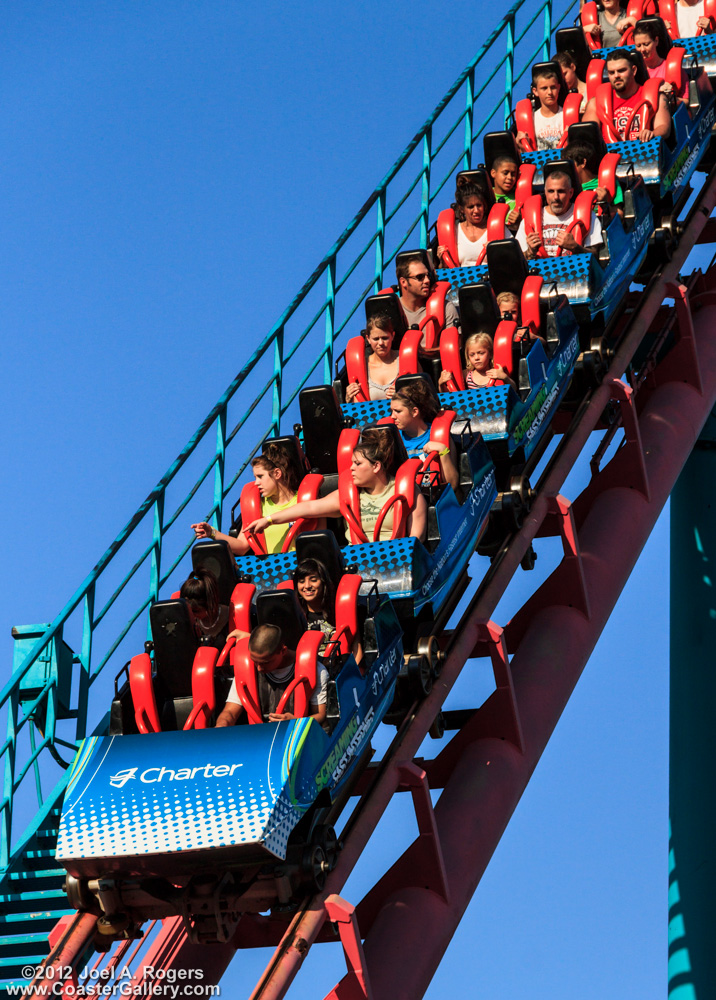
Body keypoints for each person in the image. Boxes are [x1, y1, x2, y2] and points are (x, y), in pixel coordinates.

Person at [245, 426, 428, 544]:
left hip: (396, 563)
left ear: (376, 466)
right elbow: (308, 507)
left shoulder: (406, 491)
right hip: (358, 563)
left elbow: (415, 540)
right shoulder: (349, 494)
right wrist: (268, 520)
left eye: (357, 464)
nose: (351, 469)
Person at [191, 442, 304, 556]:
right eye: (255, 477)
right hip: (272, 569)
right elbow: (242, 546)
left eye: (260, 476)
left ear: (277, 473)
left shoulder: (303, 502)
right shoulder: (257, 508)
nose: (256, 483)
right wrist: (212, 533)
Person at [215, 624, 328, 727]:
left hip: (295, 738)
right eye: (254, 661)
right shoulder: (246, 669)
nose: (259, 668)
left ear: (283, 651)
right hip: (260, 738)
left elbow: (320, 714)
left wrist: (297, 722)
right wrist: (222, 725)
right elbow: (230, 712)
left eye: (265, 662)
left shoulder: (315, 670)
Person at [582, 51, 672, 142]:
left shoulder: (655, 97)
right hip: (610, 153)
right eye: (611, 73)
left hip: (644, 150)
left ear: (633, 70)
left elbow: (663, 127)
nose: (616, 76)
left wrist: (652, 134)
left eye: (621, 70)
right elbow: (586, 136)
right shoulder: (596, 103)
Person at [389, 381, 460, 492]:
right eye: (391, 411)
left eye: (398, 411)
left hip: (433, 496)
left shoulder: (438, 436)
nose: (392, 416)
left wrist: (442, 451)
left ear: (414, 412)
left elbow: (453, 484)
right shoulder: (394, 439)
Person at [516, 170, 603, 259]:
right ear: (545, 193)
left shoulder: (586, 215)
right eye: (551, 191)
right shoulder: (530, 219)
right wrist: (531, 251)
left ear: (571, 193)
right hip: (539, 271)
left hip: (574, 269)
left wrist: (575, 247)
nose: (556, 197)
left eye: (561, 191)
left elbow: (595, 257)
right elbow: (517, 261)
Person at [396, 256, 460, 343]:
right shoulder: (391, 312)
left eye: (428, 276)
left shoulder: (445, 308)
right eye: (420, 277)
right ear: (403, 282)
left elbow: (455, 346)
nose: (427, 280)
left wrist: (422, 352)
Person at [436, 179, 494, 267]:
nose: (476, 210)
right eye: (471, 207)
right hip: (463, 279)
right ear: (462, 209)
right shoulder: (454, 231)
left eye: (479, 205)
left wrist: (498, 250)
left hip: (491, 277)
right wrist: (441, 261)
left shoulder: (494, 227)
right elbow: (444, 270)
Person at [345, 313, 400, 402]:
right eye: (376, 339)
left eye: (385, 338)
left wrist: (404, 395)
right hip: (372, 415)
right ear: (368, 339)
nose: (381, 343)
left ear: (393, 336)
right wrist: (348, 398)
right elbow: (356, 407)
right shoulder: (361, 367)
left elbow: (424, 393)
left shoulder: (404, 359)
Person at [563, 139, 625, 217]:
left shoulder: (609, 183)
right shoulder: (565, 187)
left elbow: (620, 215)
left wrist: (604, 204)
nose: (566, 168)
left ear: (583, 162)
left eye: (570, 164)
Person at [633, 22, 690, 104]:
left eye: (646, 44)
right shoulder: (634, 72)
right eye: (638, 46)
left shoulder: (672, 68)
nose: (642, 49)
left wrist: (669, 97)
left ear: (656, 41)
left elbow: (686, 101)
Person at [179, 567, 237, 648]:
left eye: (195, 611)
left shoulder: (232, 617)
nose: (191, 615)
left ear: (210, 603)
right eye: (188, 611)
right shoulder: (189, 623)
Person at [439, 332, 516, 391]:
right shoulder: (466, 375)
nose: (476, 358)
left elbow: (514, 389)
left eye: (481, 353)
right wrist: (441, 384)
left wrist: (505, 377)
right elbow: (448, 394)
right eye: (472, 355)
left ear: (490, 354)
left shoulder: (496, 373)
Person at [516, 66, 567, 151]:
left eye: (553, 87)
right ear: (535, 91)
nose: (550, 92)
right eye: (544, 88)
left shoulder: (565, 116)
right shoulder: (532, 119)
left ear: (558, 88)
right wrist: (521, 147)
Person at [294, 558, 336, 653]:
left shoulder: (337, 610)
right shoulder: (295, 617)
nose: (307, 586)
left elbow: (355, 646)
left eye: (313, 580)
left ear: (323, 582)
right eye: (301, 581)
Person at [490, 155, 522, 231]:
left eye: (513, 174)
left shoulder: (519, 196)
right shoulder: (486, 195)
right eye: (505, 173)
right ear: (493, 173)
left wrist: (520, 222)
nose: (510, 177)